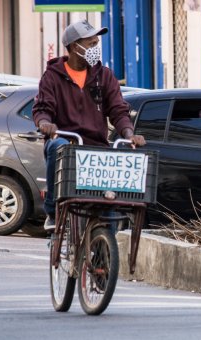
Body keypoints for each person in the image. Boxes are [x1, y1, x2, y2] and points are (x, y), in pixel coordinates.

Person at [33, 19, 145, 230]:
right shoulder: (52, 77)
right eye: (91, 44)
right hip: (66, 142)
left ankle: (104, 252)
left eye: (96, 43)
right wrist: (45, 123)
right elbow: (42, 108)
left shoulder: (104, 76)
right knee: (58, 147)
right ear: (76, 46)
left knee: (108, 200)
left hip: (96, 147)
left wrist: (129, 134)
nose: (96, 48)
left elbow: (118, 111)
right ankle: (52, 211)